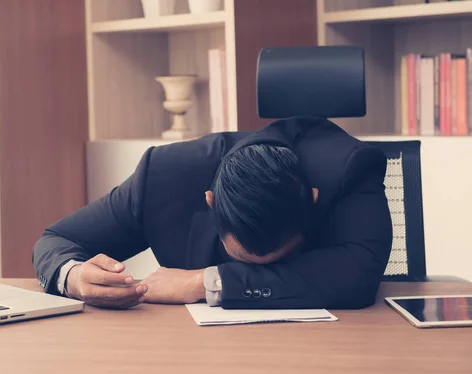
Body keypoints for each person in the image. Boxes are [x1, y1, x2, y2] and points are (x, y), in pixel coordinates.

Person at [32, 116, 393, 310]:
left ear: (313, 200)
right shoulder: (165, 175)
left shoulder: (348, 168)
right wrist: (74, 276)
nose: (256, 272)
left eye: (275, 262)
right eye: (245, 260)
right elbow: (58, 240)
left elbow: (357, 276)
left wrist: (203, 282)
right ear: (210, 202)